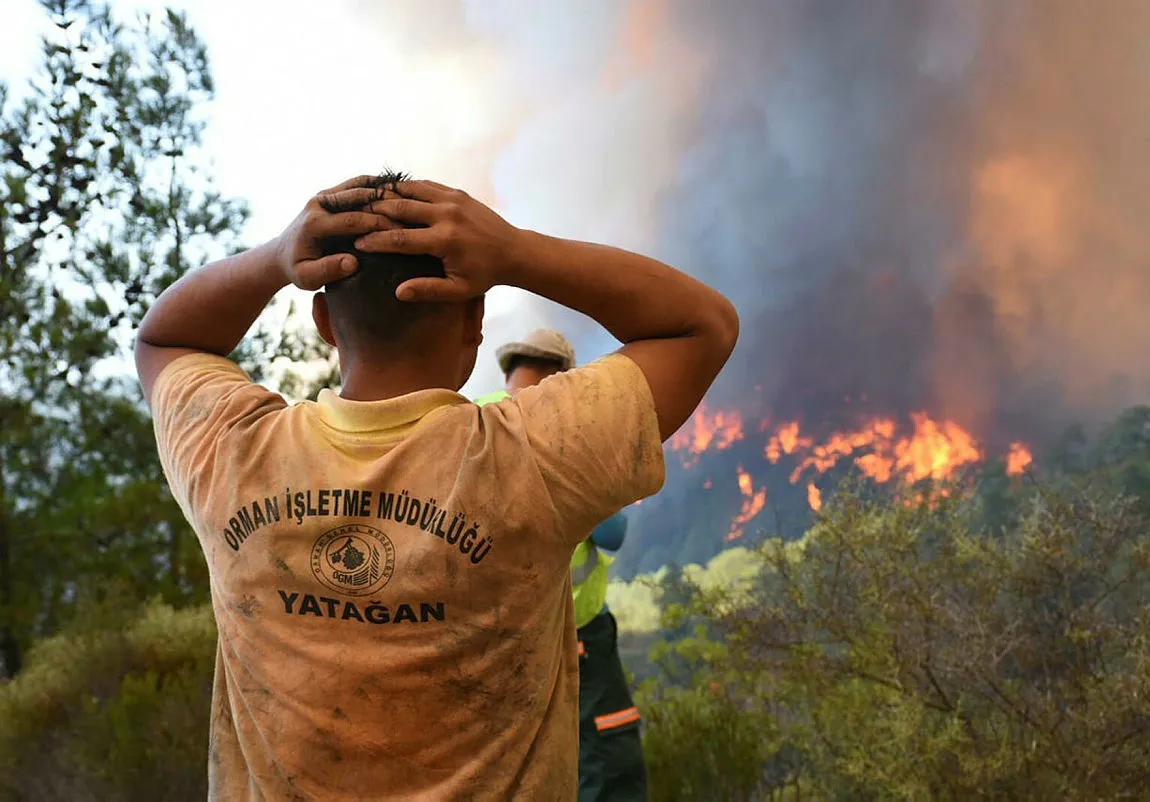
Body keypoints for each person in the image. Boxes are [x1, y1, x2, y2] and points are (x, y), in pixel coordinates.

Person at [135, 171, 738, 799]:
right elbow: (702, 324)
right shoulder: (533, 456)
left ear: (324, 319)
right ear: (476, 318)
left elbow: (164, 337)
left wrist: (275, 259)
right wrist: (515, 252)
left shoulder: (232, 452)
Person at [479, 330, 648, 800]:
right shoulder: (570, 427)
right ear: (560, 377)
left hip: (495, 639)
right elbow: (612, 536)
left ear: (510, 369)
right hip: (576, 634)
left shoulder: (468, 419)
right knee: (604, 755)